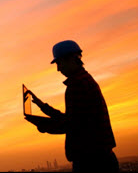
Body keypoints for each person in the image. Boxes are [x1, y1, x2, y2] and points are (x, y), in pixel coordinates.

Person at [24, 40, 118, 172]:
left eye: (59, 63)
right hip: (100, 158)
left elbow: (70, 125)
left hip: (92, 162)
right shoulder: (84, 80)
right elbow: (72, 119)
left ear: (70, 59)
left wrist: (40, 123)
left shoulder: (77, 85)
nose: (58, 69)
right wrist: (42, 106)